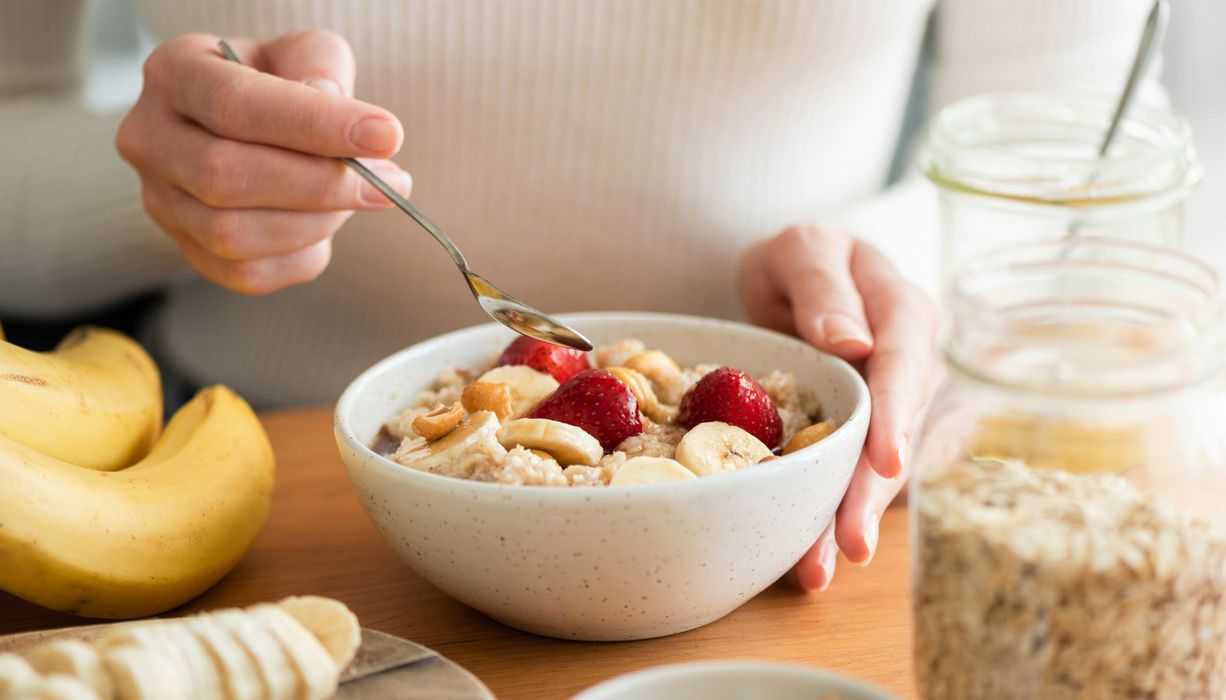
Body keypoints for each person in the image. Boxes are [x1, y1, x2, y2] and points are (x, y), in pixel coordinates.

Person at [0, 0, 1160, 592]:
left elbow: (1092, 150)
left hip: (801, 520)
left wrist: (879, 265)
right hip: (274, 507)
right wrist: (160, 181)